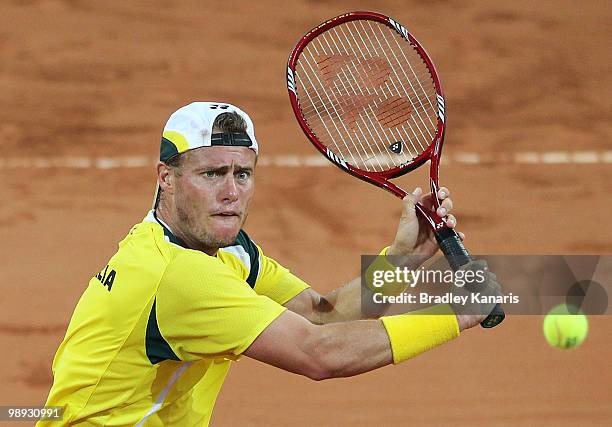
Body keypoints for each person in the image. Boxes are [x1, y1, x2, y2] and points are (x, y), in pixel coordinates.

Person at [39, 102, 500, 426]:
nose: (231, 192)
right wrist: (457, 316)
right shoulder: (179, 275)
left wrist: (400, 260)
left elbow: (324, 314)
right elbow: (320, 354)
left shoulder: (229, 250)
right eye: (211, 173)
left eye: (242, 173)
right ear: (167, 178)